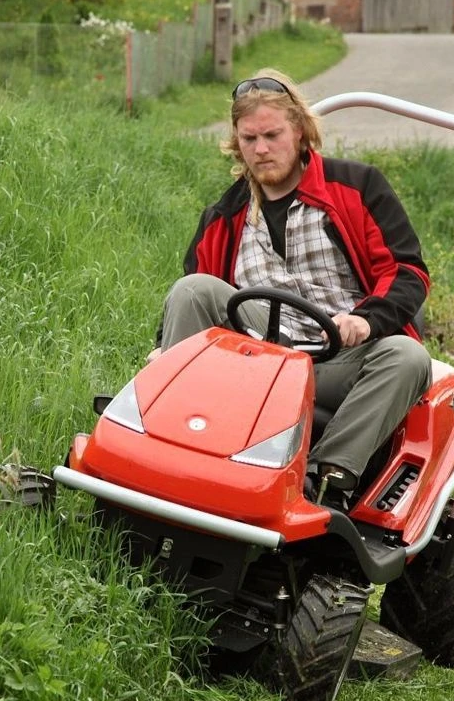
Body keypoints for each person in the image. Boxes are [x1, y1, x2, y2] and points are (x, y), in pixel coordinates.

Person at [151, 68, 432, 508]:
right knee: (193, 288)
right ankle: (166, 441)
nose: (261, 149)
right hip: (256, 357)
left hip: (334, 359)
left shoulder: (357, 188)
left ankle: (325, 479)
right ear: (237, 143)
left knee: (408, 357)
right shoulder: (224, 216)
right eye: (249, 139)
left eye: (272, 135)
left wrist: (364, 320)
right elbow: (190, 300)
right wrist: (162, 350)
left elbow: (408, 272)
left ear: (299, 131)